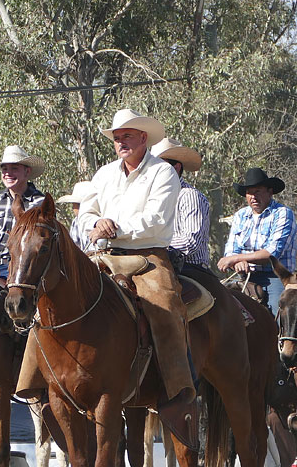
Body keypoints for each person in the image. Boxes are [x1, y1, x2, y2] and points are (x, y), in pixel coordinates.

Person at [76, 108, 195, 410]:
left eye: (127, 136)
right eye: (117, 138)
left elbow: (155, 219)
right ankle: (38, 380)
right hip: (106, 254)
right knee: (62, 290)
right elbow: (86, 212)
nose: (121, 142)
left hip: (150, 257)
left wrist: (112, 227)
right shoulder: (103, 174)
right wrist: (94, 225)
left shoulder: (163, 172)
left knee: (165, 305)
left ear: (143, 138)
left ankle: (177, 387)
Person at [217, 167, 297, 315]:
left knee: (279, 314)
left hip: (277, 278)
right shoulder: (241, 215)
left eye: (258, 191)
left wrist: (235, 258)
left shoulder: (283, 214)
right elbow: (231, 248)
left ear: (270, 192)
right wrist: (237, 263)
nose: (253, 196)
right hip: (245, 277)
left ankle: (281, 338)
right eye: (249, 192)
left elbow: (272, 254)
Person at [0, 145, 45, 278]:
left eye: (14, 168)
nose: (8, 173)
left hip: (23, 271)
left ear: (27, 172)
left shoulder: (40, 203)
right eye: (4, 169)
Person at [151, 137, 210, 272]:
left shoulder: (189, 196)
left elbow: (190, 242)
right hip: (159, 264)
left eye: (159, 166)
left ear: (176, 168)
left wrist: (152, 242)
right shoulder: (151, 197)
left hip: (190, 268)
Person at [56, 181, 96, 250]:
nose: (73, 208)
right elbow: (75, 245)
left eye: (75, 204)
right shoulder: (76, 222)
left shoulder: (98, 221)